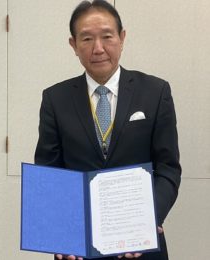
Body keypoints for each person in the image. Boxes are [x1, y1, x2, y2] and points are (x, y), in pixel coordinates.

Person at [34, 1, 181, 260]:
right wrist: (60, 235)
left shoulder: (155, 92)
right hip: (78, 247)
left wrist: (148, 220)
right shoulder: (55, 99)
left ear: (122, 38)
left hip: (140, 245)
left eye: (107, 36)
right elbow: (50, 173)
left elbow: (167, 168)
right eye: (87, 38)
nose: (98, 48)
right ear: (73, 45)